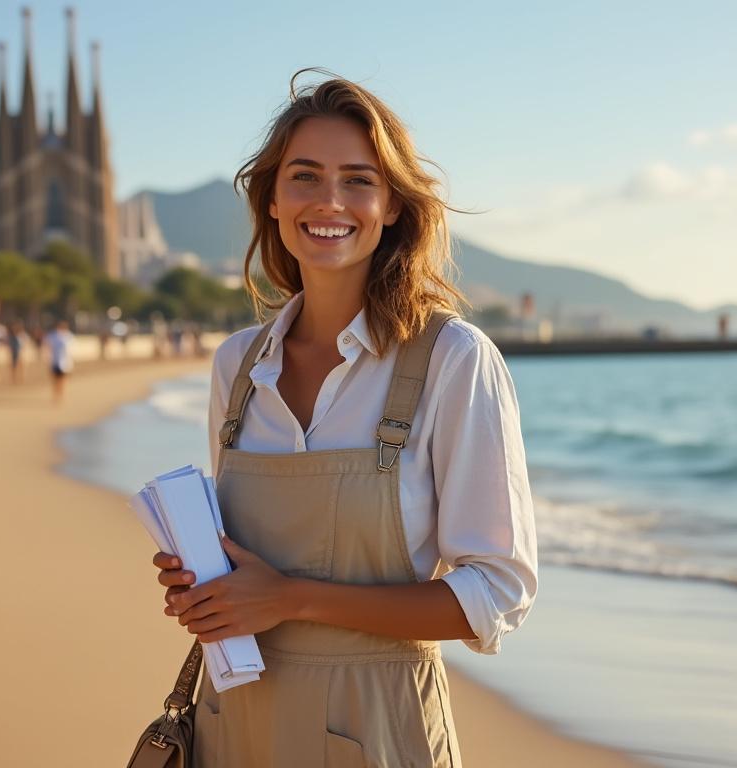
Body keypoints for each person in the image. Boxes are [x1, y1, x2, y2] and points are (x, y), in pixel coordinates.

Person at [150, 74, 538, 766]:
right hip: (229, 721)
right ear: (272, 199)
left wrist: (291, 598)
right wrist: (204, 589)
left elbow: (497, 593)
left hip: (379, 729)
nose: (329, 202)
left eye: (359, 180)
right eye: (305, 176)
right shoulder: (237, 366)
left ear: (391, 206)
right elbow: (241, 565)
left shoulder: (453, 359)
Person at [45, 319, 73, 403]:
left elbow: (70, 351)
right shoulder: (52, 336)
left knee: (62, 379)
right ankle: (56, 395)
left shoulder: (68, 336)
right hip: (54, 361)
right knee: (55, 379)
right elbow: (48, 348)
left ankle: (61, 395)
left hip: (65, 362)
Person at [8, 319, 28, 384]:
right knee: (14, 366)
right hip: (14, 352)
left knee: (21, 366)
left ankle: (22, 378)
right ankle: (14, 379)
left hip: (20, 352)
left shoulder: (22, 335)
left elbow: (24, 343)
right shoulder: (12, 337)